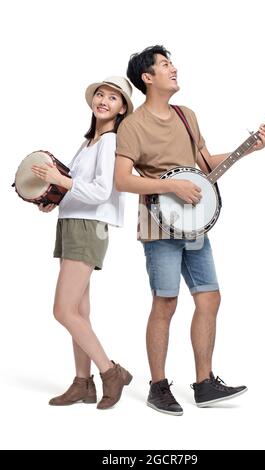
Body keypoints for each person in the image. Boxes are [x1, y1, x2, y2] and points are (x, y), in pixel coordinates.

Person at [114, 46, 265, 416]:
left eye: (172, 63)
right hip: (158, 225)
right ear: (147, 78)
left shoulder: (187, 116)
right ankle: (158, 386)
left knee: (209, 297)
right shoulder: (133, 125)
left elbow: (204, 164)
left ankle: (204, 384)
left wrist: (247, 149)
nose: (174, 69)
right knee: (165, 303)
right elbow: (122, 180)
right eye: (165, 65)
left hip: (195, 223)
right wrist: (170, 187)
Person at [31, 76, 133, 410]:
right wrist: (54, 199)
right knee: (79, 311)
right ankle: (82, 383)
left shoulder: (110, 142)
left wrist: (61, 180)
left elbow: (103, 191)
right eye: (100, 94)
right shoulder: (89, 142)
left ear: (121, 109)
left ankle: (110, 371)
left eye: (113, 97)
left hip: (89, 227)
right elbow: (78, 189)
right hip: (73, 223)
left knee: (63, 310)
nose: (104, 100)